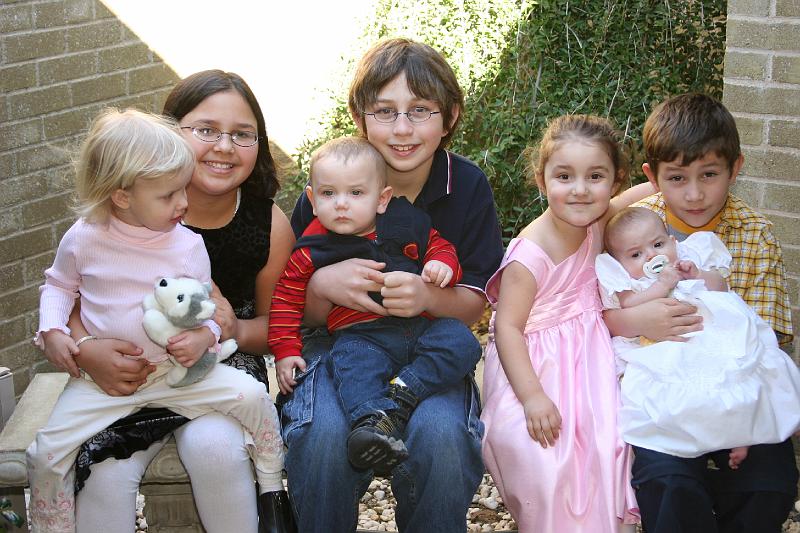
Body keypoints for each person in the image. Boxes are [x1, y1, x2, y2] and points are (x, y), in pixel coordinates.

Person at [51, 71, 296, 533]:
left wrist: (232, 328)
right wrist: (85, 350)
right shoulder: (113, 219)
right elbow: (76, 298)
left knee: (215, 449)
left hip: (218, 362)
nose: (224, 146)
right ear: (168, 134)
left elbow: (280, 328)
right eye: (206, 130)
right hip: (125, 370)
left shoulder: (269, 224)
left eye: (242, 134)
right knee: (104, 471)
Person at [280, 38, 505, 533]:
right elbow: (294, 308)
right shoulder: (329, 188)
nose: (402, 128)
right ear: (359, 117)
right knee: (322, 435)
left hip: (426, 345)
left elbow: (474, 303)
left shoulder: (466, 186)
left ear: (449, 116)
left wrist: (429, 296)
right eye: (385, 111)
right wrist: (323, 286)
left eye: (420, 110)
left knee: (443, 435)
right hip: (339, 343)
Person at [603, 93, 798, 533]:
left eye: (709, 175)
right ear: (653, 177)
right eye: (677, 178)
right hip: (665, 387)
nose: (694, 194)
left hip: (738, 385)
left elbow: (765, 336)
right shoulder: (628, 231)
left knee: (769, 483)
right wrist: (640, 320)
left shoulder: (755, 234)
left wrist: (750, 411)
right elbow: (603, 309)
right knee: (667, 480)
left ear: (735, 168)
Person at [269, 136, 481, 472]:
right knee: (353, 369)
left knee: (461, 341)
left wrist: (441, 266)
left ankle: (403, 393)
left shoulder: (406, 222)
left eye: (356, 193)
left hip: (420, 329)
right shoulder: (311, 249)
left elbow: (439, 246)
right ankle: (371, 425)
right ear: (312, 199)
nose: (341, 204)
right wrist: (285, 350)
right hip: (362, 337)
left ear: (382, 199)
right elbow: (285, 299)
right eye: (328, 194)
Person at [480, 114, 649, 533]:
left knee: (609, 441)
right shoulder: (529, 255)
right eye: (564, 176)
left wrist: (664, 182)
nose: (580, 189)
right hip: (534, 365)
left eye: (595, 176)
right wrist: (533, 397)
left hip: (589, 361)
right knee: (546, 460)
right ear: (542, 180)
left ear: (615, 181)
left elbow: (629, 201)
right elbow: (507, 329)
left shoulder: (598, 220)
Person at [597, 206, 800, 469]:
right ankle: (703, 438)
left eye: (657, 244)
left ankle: (746, 432)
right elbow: (629, 304)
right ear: (620, 265)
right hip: (671, 349)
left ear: (673, 242)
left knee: (736, 374)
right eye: (636, 254)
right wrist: (662, 285)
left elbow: (722, 287)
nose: (652, 256)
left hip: (713, 339)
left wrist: (698, 275)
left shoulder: (692, 256)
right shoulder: (631, 283)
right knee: (689, 395)